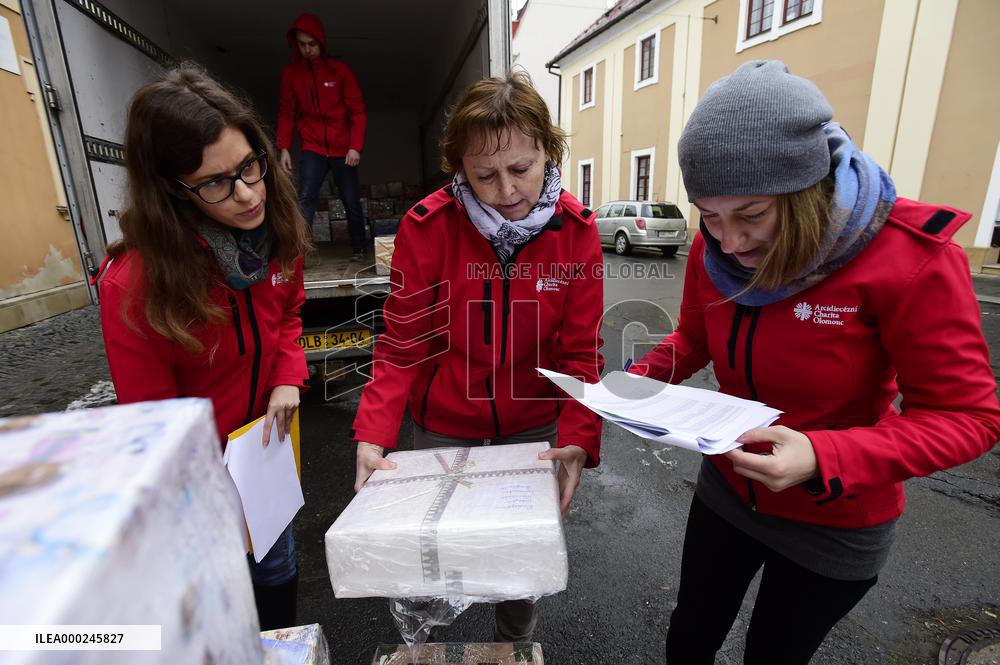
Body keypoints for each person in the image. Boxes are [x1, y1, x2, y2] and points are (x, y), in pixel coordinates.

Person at [628, 60, 1000, 664]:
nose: (729, 243)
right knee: (690, 632)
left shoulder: (910, 257)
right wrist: (634, 383)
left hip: (836, 519)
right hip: (729, 489)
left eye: (751, 216)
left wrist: (823, 456)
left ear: (807, 192)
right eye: (709, 216)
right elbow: (694, 340)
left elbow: (968, 417)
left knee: (775, 654)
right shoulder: (714, 246)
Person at [350, 71, 605, 642]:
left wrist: (579, 440)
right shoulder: (427, 227)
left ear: (550, 152)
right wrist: (374, 432)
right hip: (444, 424)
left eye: (522, 168)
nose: (507, 190)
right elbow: (403, 342)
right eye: (484, 175)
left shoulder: (577, 232)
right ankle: (428, 645)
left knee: (517, 559)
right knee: (437, 554)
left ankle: (512, 644)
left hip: (530, 426)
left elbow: (580, 351)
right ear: (458, 167)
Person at [96, 64, 311, 631]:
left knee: (279, 588)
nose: (246, 195)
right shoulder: (136, 283)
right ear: (171, 187)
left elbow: (288, 310)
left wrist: (288, 375)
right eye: (215, 182)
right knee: (223, 619)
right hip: (200, 488)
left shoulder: (274, 230)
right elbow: (154, 426)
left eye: (249, 167)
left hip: (263, 461)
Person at [277, 13, 368, 260]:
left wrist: (355, 147)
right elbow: (287, 112)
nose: (307, 49)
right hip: (313, 146)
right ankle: (300, 254)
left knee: (350, 200)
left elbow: (358, 111)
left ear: (321, 42)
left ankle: (359, 248)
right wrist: (283, 147)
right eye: (302, 44)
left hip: (342, 147)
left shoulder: (339, 71)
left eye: (312, 44)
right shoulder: (291, 74)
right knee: (305, 198)